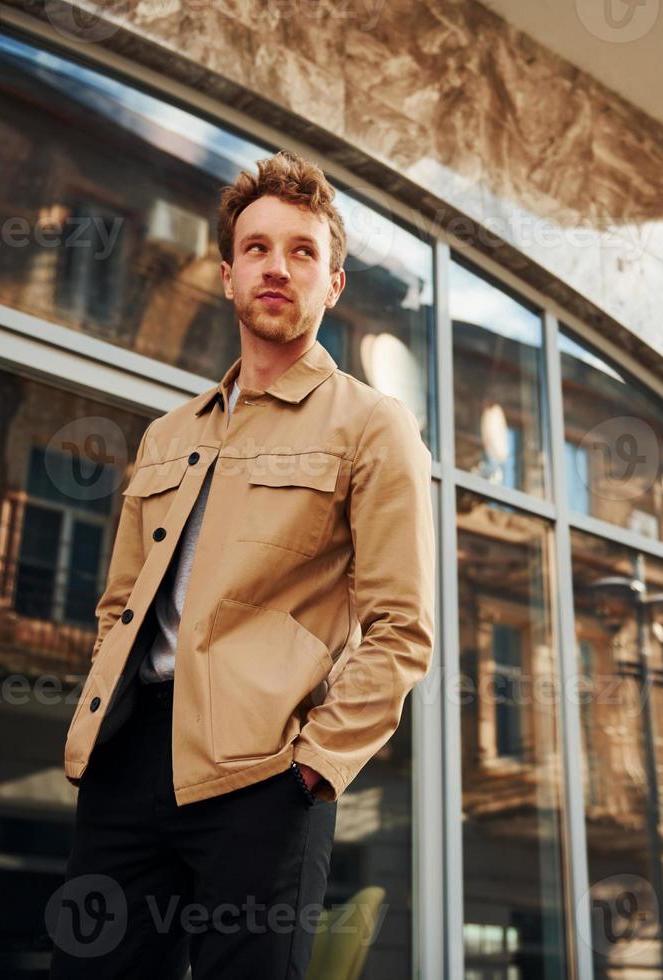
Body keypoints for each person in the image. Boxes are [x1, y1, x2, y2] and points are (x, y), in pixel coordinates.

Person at [53, 150, 436, 979]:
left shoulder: (374, 426)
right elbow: (119, 606)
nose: (278, 267)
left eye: (304, 252)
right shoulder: (168, 435)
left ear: (333, 286)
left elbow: (403, 632)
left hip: (265, 772)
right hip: (127, 762)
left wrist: (312, 768)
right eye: (258, 248)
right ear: (227, 276)